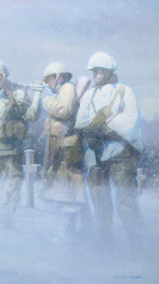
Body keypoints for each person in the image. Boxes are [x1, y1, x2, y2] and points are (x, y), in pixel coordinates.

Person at [75, 52, 144, 249]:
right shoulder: (89, 94)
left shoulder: (124, 91)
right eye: (93, 71)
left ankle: (136, 243)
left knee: (125, 200)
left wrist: (106, 128)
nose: (94, 74)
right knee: (100, 199)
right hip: (95, 155)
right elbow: (81, 121)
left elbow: (131, 120)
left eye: (98, 70)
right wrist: (89, 131)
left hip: (119, 153)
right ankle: (104, 241)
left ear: (108, 70)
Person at [0, 60, 42, 228]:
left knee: (12, 188)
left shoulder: (16, 93)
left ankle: (7, 222)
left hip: (11, 151)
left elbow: (32, 115)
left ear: (2, 76)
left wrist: (38, 96)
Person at [39, 62, 90, 235]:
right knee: (68, 191)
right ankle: (75, 229)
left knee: (70, 191)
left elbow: (65, 110)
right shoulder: (65, 90)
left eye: (49, 79)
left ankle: (75, 232)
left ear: (59, 77)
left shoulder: (67, 89)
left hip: (66, 147)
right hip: (64, 146)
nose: (47, 84)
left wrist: (46, 102)